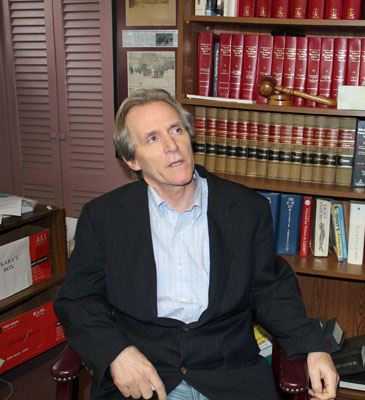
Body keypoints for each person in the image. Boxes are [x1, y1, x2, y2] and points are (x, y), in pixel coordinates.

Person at [53, 89, 339, 400]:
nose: (172, 145)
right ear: (132, 160)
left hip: (229, 374)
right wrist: (117, 354)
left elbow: (267, 289)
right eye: (152, 138)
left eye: (176, 130)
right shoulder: (104, 217)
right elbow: (78, 300)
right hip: (145, 375)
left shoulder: (246, 208)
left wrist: (313, 346)